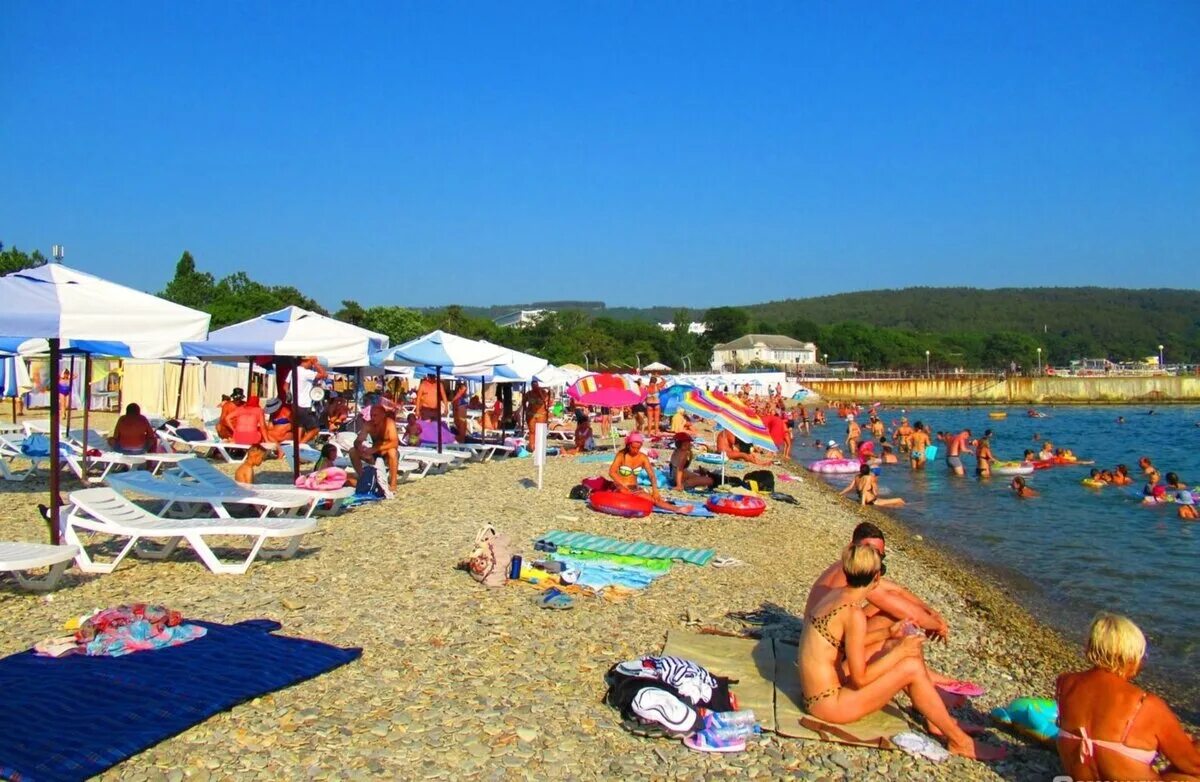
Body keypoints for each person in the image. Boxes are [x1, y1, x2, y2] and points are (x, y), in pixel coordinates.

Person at [798, 544, 1004, 761]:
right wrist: (901, 651)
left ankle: (937, 721)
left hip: (818, 693)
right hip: (829, 704)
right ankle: (960, 742)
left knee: (896, 649)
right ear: (876, 577)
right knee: (910, 666)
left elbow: (844, 644)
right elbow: (859, 679)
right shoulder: (853, 613)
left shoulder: (836, 596)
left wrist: (888, 633)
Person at [1056, 612, 1200, 781]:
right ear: (1130, 657)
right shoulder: (1146, 704)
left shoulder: (1065, 684)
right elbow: (1194, 766)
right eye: (1142, 655)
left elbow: (1101, 730)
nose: (1142, 662)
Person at [608, 431, 693, 512]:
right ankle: (674, 507)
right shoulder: (621, 455)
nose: (636, 450)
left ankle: (677, 509)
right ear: (628, 445)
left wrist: (655, 490)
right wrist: (622, 485)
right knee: (626, 492)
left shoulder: (642, 458)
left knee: (654, 499)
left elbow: (652, 475)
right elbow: (612, 472)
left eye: (638, 448)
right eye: (633, 447)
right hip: (621, 487)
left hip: (634, 488)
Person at [351, 399, 401, 494]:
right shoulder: (368, 425)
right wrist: (359, 446)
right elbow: (358, 440)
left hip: (386, 452)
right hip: (375, 454)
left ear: (383, 415)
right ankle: (363, 478)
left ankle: (393, 482)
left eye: (375, 415)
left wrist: (375, 449)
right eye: (371, 415)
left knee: (392, 451)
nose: (373, 418)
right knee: (352, 451)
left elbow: (395, 443)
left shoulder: (389, 423)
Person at [841, 464, 905, 508]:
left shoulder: (857, 477)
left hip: (864, 499)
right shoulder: (869, 478)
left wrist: (840, 493)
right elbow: (865, 491)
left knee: (891, 504)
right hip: (871, 501)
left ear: (860, 470)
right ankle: (908, 508)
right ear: (868, 471)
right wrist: (863, 504)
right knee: (900, 500)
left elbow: (850, 487)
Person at [523, 380, 551, 452]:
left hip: (541, 415)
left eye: (536, 385)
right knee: (532, 431)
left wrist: (540, 392)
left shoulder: (543, 392)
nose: (535, 387)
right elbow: (523, 401)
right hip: (531, 415)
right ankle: (531, 446)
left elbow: (547, 402)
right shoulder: (529, 393)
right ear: (531, 386)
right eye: (533, 385)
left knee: (540, 431)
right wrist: (525, 409)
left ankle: (539, 447)